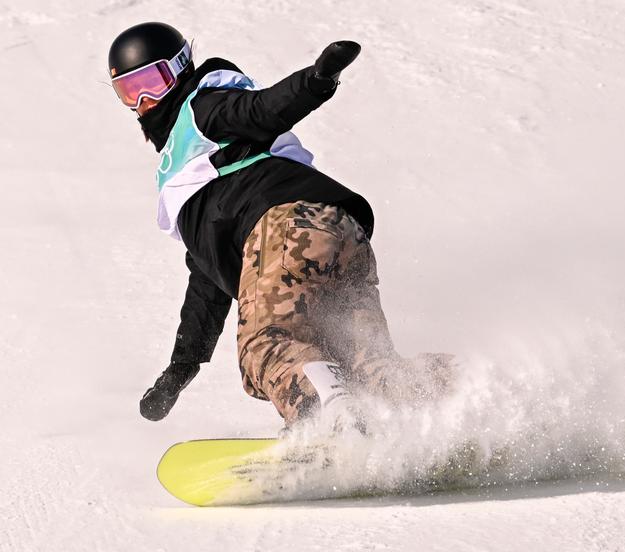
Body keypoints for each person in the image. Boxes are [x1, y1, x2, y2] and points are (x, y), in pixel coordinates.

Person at [107, 22, 451, 429]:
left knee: (267, 346)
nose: (146, 102)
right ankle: (454, 403)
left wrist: (318, 80)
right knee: (365, 363)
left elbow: (263, 109)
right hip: (338, 230)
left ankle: (329, 423)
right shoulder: (193, 169)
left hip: (283, 228)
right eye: (131, 92)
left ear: (181, 69)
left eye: (153, 82)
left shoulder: (204, 108)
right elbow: (206, 275)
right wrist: (182, 367)